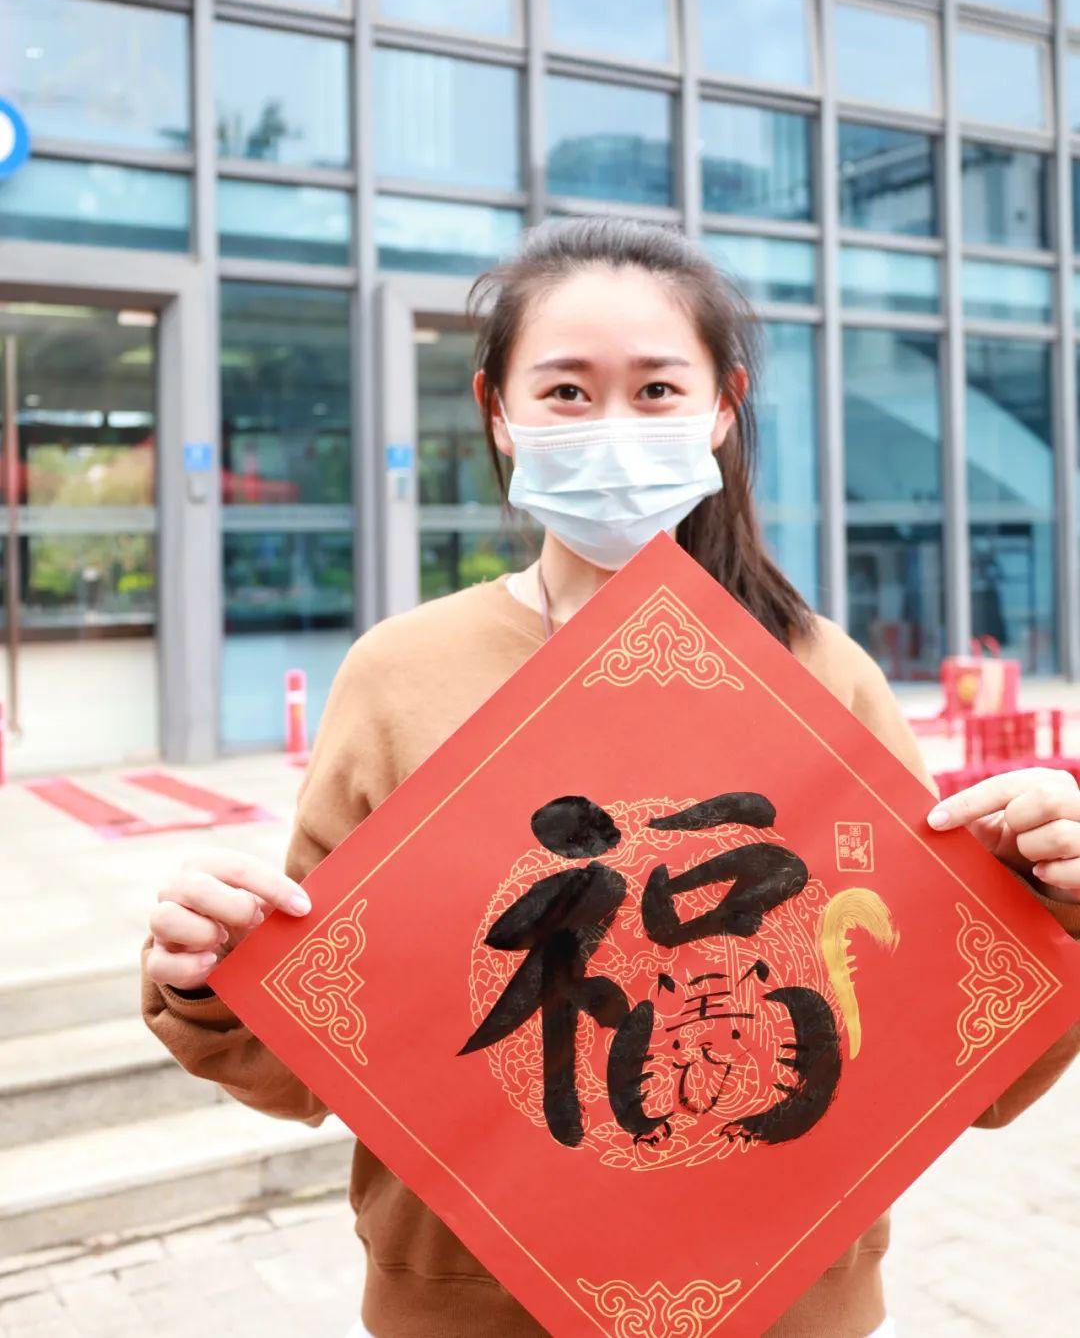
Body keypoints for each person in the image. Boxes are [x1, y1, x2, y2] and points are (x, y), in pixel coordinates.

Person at [142, 217, 1080, 1338]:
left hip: (786, 1305)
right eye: (567, 392)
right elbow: (314, 1054)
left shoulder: (823, 676)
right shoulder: (401, 676)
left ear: (724, 407)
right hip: (469, 1308)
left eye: (657, 390)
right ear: (498, 411)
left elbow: (955, 1058)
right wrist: (208, 972)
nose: (614, 428)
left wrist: (1050, 904)